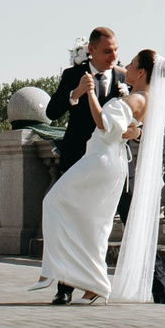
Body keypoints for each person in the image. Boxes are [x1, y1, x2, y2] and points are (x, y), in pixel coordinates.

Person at [35, 27, 127, 304]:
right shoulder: (72, 75)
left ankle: (155, 284)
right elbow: (51, 112)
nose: (114, 57)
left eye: (116, 50)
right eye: (107, 51)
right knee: (69, 219)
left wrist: (138, 132)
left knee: (108, 222)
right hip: (77, 158)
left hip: (110, 162)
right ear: (91, 50)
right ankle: (65, 287)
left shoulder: (124, 78)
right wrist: (74, 94)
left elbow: (135, 115)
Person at [107, 48, 165, 304]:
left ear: (142, 71)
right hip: (119, 168)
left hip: (125, 172)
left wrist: (134, 133)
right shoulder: (143, 94)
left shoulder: (140, 97)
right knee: (128, 227)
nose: (127, 65)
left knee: (133, 226)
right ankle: (158, 286)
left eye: (132, 63)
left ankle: (157, 285)